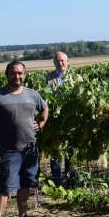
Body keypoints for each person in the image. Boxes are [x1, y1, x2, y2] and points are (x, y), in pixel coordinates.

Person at [0, 61, 48, 217]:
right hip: (8, 149)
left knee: (25, 183)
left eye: (20, 73)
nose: (17, 76)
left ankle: (23, 215)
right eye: (13, 73)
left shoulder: (32, 94)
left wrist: (41, 123)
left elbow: (44, 108)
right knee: (5, 185)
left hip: (29, 148)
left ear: (25, 75)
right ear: (7, 74)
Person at [45, 52, 75, 186]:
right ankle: (57, 179)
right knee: (55, 149)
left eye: (63, 61)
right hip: (55, 120)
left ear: (67, 61)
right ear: (54, 63)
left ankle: (71, 178)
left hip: (71, 118)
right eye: (57, 61)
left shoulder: (75, 77)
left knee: (71, 149)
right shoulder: (49, 78)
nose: (60, 63)